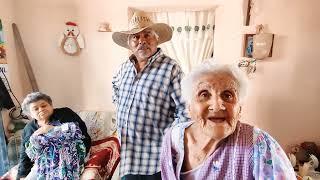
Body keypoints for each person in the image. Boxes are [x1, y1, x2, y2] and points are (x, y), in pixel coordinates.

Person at [160, 61, 296, 179]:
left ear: (239, 109)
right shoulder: (173, 138)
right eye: (204, 94)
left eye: (228, 95)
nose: (218, 105)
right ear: (189, 108)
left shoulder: (259, 146)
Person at [112, 11, 189, 180]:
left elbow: (185, 112)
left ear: (156, 39)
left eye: (147, 35)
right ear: (130, 43)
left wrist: (170, 141)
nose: (142, 41)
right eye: (135, 37)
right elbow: (115, 90)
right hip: (127, 157)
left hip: (155, 159)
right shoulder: (124, 68)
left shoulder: (171, 68)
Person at [16, 92, 91, 180]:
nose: (41, 109)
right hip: (44, 162)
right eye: (36, 109)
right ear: (30, 114)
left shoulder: (64, 113)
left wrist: (51, 129)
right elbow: (25, 154)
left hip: (70, 155)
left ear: (51, 105)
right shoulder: (28, 129)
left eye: (44, 106)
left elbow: (79, 133)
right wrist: (21, 176)